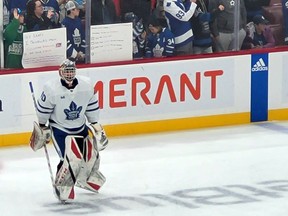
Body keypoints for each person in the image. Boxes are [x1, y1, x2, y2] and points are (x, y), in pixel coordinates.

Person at [29, 59, 108, 202]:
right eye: (66, 71)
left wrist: (96, 125)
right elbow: (44, 110)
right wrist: (41, 125)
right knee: (69, 159)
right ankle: (63, 186)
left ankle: (86, 178)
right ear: (60, 72)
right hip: (60, 129)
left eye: (71, 71)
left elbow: (92, 107)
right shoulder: (51, 88)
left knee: (91, 156)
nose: (69, 74)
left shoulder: (87, 85)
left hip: (80, 127)